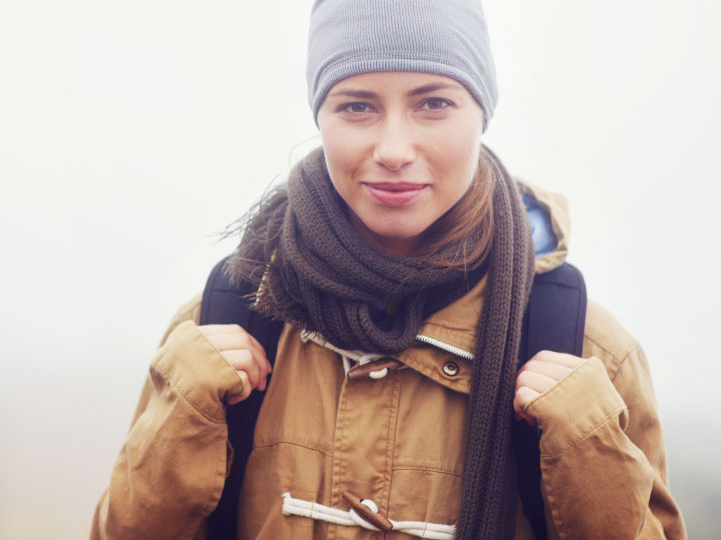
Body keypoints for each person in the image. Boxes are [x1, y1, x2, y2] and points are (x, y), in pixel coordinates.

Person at [91, 0, 687, 538]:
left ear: (482, 113)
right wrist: (186, 414)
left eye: (433, 103)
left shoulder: (587, 352)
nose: (395, 148)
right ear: (319, 117)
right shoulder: (222, 322)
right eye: (356, 106)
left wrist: (587, 447)